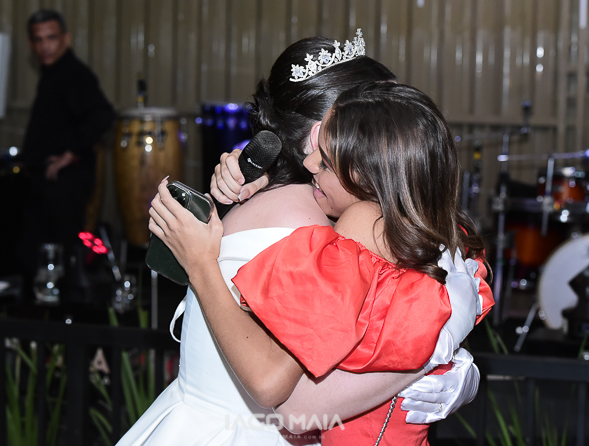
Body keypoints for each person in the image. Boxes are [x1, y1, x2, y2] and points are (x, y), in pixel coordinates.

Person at [121, 33, 490, 445]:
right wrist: (433, 350)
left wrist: (452, 365)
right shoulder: (329, 230)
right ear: (322, 134)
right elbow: (293, 401)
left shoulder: (316, 206)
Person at [17, 9, 115, 291]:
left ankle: (68, 311)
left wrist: (69, 154)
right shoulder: (52, 74)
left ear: (66, 39)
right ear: (30, 43)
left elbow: (103, 115)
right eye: (38, 40)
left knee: (63, 260)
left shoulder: (74, 74)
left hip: (64, 186)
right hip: (47, 185)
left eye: (51, 38)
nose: (44, 46)